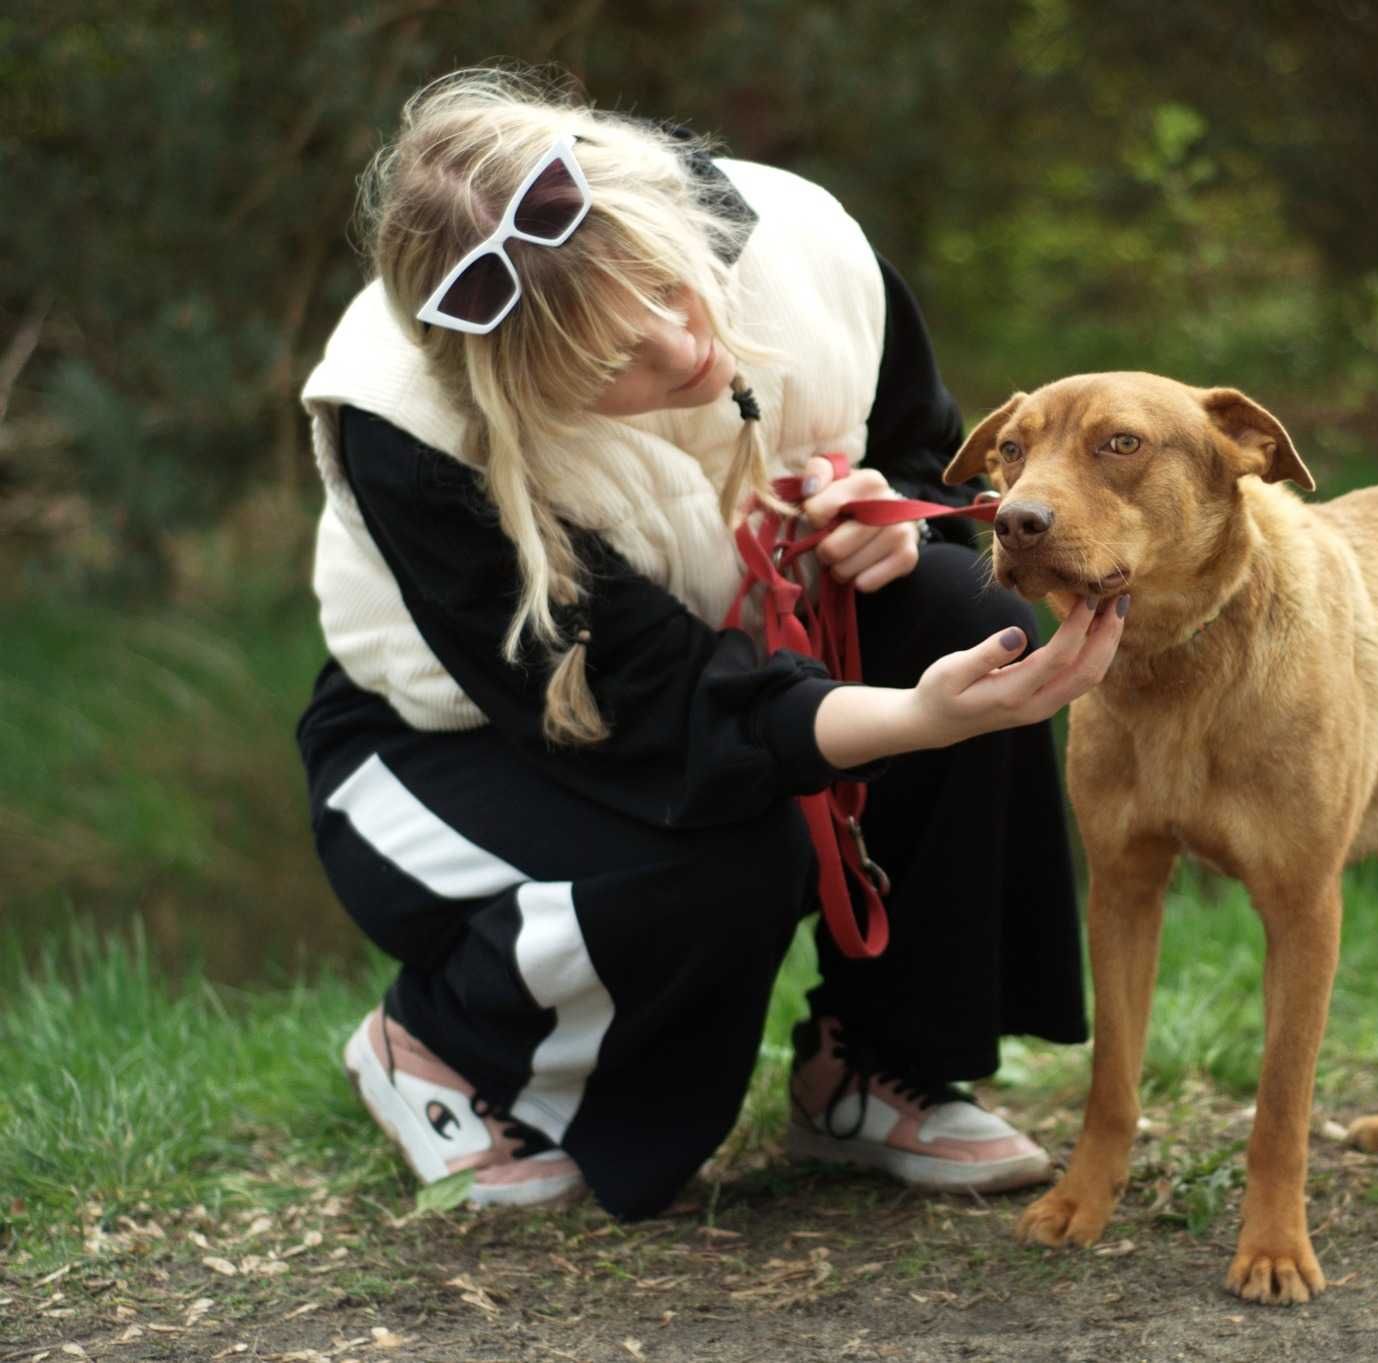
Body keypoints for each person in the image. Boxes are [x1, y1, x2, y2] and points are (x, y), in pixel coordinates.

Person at [295, 68, 1126, 1220]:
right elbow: (664, 709)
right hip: (456, 731)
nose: (681, 347)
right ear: (522, 386)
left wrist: (891, 519)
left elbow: (933, 461)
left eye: (663, 286)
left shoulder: (804, 242)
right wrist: (918, 719)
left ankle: (873, 1064)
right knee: (728, 861)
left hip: (728, 645)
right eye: (607, 365)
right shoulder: (420, 430)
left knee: (964, 612)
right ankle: (441, 1041)